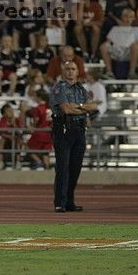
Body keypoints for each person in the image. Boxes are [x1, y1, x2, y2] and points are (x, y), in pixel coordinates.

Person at [50, 61, 100, 213]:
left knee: (75, 169)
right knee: (63, 168)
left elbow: (94, 106)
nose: (70, 72)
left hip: (79, 130)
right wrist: (83, 108)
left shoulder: (81, 89)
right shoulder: (59, 87)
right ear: (63, 71)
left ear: (78, 71)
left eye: (73, 69)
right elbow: (65, 109)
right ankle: (60, 202)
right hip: (64, 130)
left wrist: (76, 107)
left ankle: (70, 202)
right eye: (67, 69)